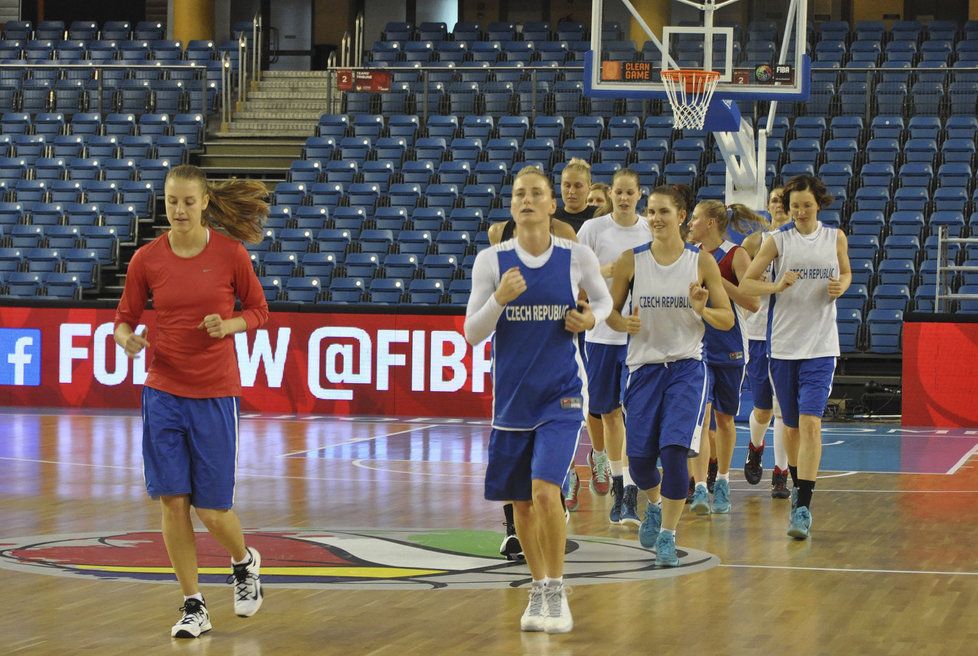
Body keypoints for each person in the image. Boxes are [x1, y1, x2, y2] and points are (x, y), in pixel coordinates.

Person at [114, 164, 270, 638]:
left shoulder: (231, 255)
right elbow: (123, 318)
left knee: (212, 510)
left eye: (187, 201)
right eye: (171, 201)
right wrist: (126, 339)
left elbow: (260, 311)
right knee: (172, 502)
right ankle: (193, 604)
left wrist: (230, 326)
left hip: (214, 393)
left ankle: (244, 562)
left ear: (204, 202)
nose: (178, 210)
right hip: (162, 391)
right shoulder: (147, 258)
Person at [465, 165, 611, 633]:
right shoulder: (491, 261)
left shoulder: (575, 255)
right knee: (522, 505)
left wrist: (589, 320)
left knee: (546, 491)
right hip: (511, 400)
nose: (527, 200)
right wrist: (499, 300)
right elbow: (472, 333)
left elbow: (604, 302)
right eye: (519, 194)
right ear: (512, 206)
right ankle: (539, 585)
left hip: (562, 393)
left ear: (552, 205)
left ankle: (557, 589)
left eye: (536, 194)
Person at [606, 185, 733, 566]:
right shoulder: (631, 261)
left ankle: (668, 535)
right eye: (652, 211)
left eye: (664, 211)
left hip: (687, 368)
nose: (656, 218)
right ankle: (656, 505)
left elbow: (726, 318)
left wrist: (702, 310)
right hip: (642, 369)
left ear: (681, 216)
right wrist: (620, 321)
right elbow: (608, 312)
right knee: (642, 461)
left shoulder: (701, 262)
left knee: (674, 453)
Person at [739, 175, 851, 539]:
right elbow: (747, 284)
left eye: (807, 204)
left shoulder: (835, 237)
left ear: (819, 204)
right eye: (795, 205)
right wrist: (776, 286)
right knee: (788, 427)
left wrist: (842, 286)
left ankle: (803, 504)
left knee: (810, 424)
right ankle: (792, 484)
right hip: (783, 348)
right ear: (788, 208)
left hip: (820, 347)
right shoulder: (777, 241)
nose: (801, 211)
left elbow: (846, 271)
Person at [489, 191, 578, 561]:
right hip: (512, 373)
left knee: (543, 478)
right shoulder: (498, 238)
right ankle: (512, 532)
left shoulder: (565, 242)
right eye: (520, 196)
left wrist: (585, 313)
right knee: (514, 469)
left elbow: (583, 291)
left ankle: (556, 497)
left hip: (555, 373)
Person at [577, 168, 652, 527]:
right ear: (611, 195)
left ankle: (631, 491)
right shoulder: (592, 230)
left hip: (640, 334)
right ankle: (618, 483)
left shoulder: (649, 230)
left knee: (635, 414)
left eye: (629, 192)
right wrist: (603, 271)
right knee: (606, 412)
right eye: (618, 192)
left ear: (639, 194)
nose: (623, 198)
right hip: (602, 335)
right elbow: (572, 272)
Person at [685, 201, 761, 514]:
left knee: (725, 420)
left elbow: (753, 302)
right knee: (700, 420)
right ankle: (700, 486)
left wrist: (717, 279)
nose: (690, 222)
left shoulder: (736, 254)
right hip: (696, 347)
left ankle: (725, 480)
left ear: (712, 222)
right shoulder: (689, 254)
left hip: (730, 344)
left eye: (695, 218)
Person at [741, 187, 792, 498]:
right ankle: (755, 447)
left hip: (788, 334)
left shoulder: (800, 243)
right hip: (759, 332)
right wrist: (773, 286)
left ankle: (781, 473)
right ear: (768, 206)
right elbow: (743, 287)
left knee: (784, 410)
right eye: (774, 200)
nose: (778, 205)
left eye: (783, 201)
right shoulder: (754, 242)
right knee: (762, 408)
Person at [554, 157, 600, 232]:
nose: (571, 191)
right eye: (567, 185)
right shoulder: (551, 217)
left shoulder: (598, 217)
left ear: (589, 189)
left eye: (578, 186)